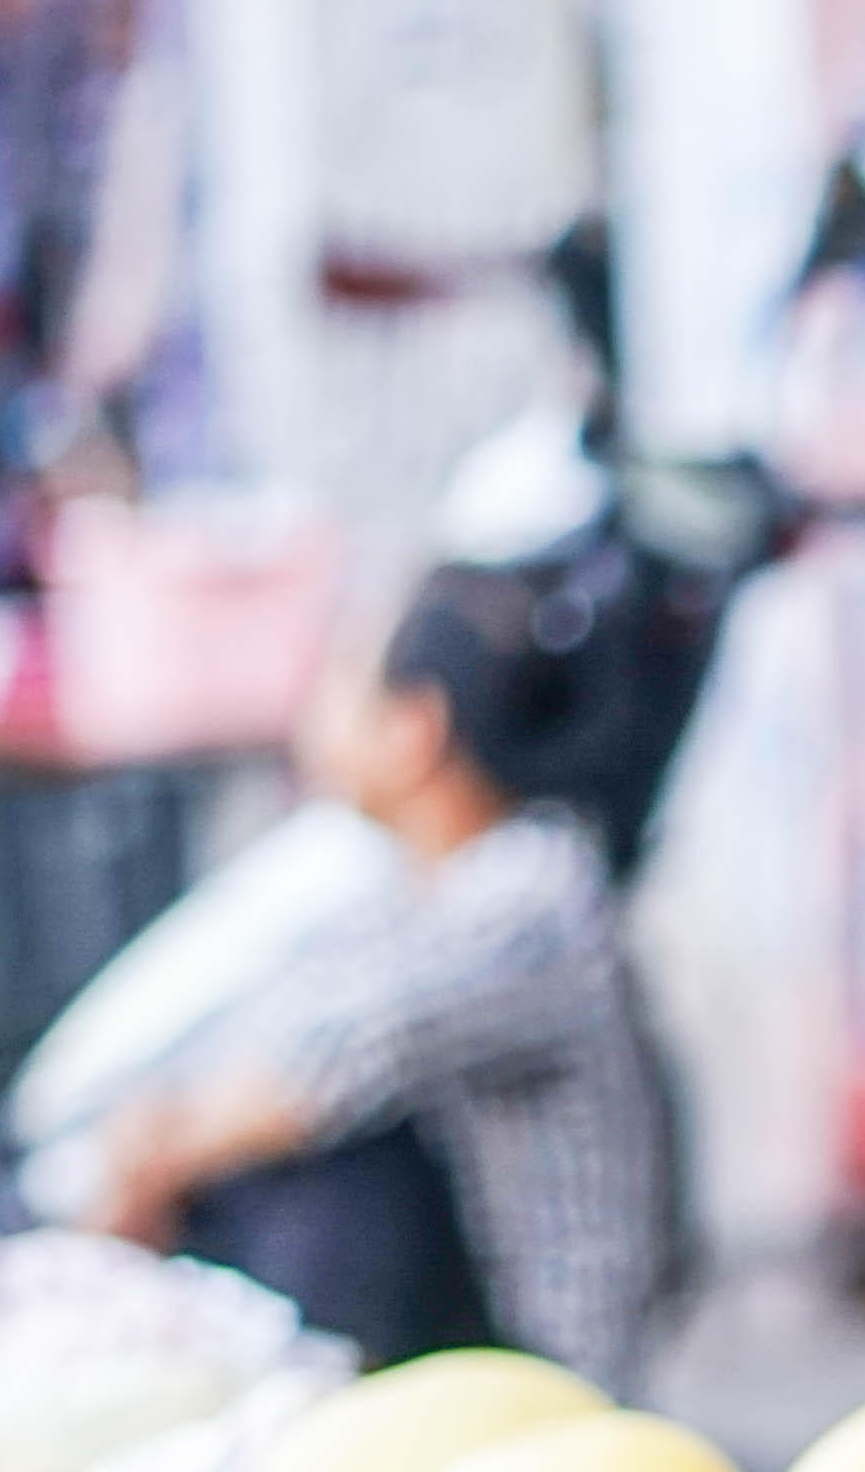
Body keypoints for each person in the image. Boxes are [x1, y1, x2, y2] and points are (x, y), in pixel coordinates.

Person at [63, 566, 684, 1385]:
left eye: (341, 677)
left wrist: (142, 1171)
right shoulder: (410, 886)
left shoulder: (531, 894)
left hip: (541, 1371)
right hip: (468, 1343)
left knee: (331, 1171)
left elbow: (305, 1077)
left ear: (413, 728)